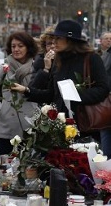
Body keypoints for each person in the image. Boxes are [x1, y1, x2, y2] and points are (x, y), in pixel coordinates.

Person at [19, 20, 110, 155]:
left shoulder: (91, 58)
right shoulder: (58, 61)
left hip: (84, 127)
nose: (54, 42)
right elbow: (52, 94)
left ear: (71, 40)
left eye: (58, 38)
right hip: (60, 127)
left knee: (81, 170)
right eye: (54, 38)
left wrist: (75, 96)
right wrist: (27, 91)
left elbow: (103, 89)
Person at [0, 32, 38, 155]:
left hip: (30, 129)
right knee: (3, 169)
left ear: (28, 47)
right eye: (13, 46)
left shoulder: (36, 68)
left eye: (20, 46)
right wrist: (1, 110)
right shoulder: (3, 68)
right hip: (5, 130)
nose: (16, 49)